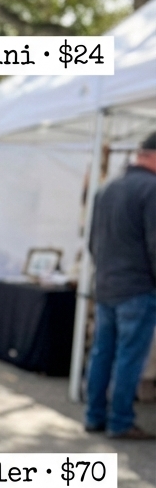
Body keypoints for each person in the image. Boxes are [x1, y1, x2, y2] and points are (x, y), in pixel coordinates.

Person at [84, 132, 156, 440]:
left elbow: (92, 243)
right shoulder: (151, 189)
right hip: (137, 288)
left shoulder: (107, 188)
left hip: (107, 286)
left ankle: (94, 416)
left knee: (103, 353)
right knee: (128, 357)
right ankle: (120, 420)